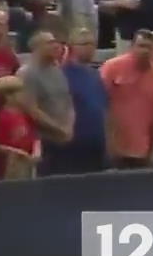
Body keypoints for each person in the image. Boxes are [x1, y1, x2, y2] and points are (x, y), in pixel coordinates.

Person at [100, 29, 153, 169]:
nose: (145, 51)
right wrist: (108, 143)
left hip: (143, 151)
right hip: (113, 149)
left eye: (149, 47)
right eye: (141, 46)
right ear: (131, 47)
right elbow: (101, 106)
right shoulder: (111, 68)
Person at [45, 27, 109, 176]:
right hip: (70, 148)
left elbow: (104, 108)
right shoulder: (61, 74)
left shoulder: (95, 75)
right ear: (72, 46)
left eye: (92, 44)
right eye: (85, 44)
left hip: (96, 146)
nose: (90, 48)